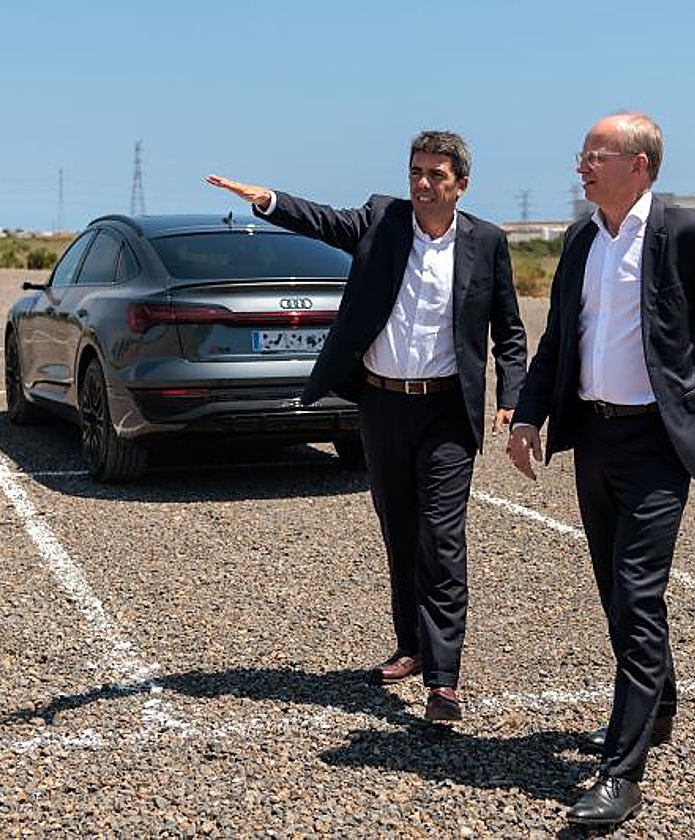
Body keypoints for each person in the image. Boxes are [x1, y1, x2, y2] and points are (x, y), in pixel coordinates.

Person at [207, 130, 528, 722]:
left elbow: (509, 330)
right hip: (381, 406)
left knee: (442, 537)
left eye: (436, 175)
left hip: (446, 414)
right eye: (416, 172)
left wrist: (513, 397)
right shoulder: (383, 219)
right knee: (400, 530)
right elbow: (324, 221)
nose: (423, 184)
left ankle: (444, 678)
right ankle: (410, 644)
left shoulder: (487, 242)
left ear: (461, 183)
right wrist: (267, 200)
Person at [507, 112, 695, 828]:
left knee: (637, 594)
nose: (580, 165)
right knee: (616, 591)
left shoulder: (683, 233)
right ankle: (658, 710)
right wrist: (528, 416)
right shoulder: (583, 236)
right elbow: (559, 335)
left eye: (595, 154)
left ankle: (621, 773)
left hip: (658, 443)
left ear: (638, 165)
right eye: (582, 154)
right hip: (596, 436)